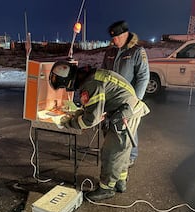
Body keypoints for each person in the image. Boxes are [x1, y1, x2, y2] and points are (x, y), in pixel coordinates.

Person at [48, 61, 150, 201]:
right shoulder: (91, 76)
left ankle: (106, 189)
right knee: (122, 150)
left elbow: (90, 120)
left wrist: (69, 123)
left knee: (111, 152)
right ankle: (120, 181)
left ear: (69, 81)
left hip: (124, 114)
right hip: (127, 109)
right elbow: (94, 106)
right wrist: (78, 114)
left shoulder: (90, 84)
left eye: (65, 86)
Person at [101, 20, 150, 167]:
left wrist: (136, 101)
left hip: (128, 99)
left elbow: (143, 77)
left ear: (125, 35)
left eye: (117, 37)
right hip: (111, 98)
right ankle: (113, 152)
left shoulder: (136, 51)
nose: (114, 41)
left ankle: (131, 156)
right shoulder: (110, 52)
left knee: (128, 127)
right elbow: (103, 73)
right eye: (112, 38)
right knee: (110, 125)